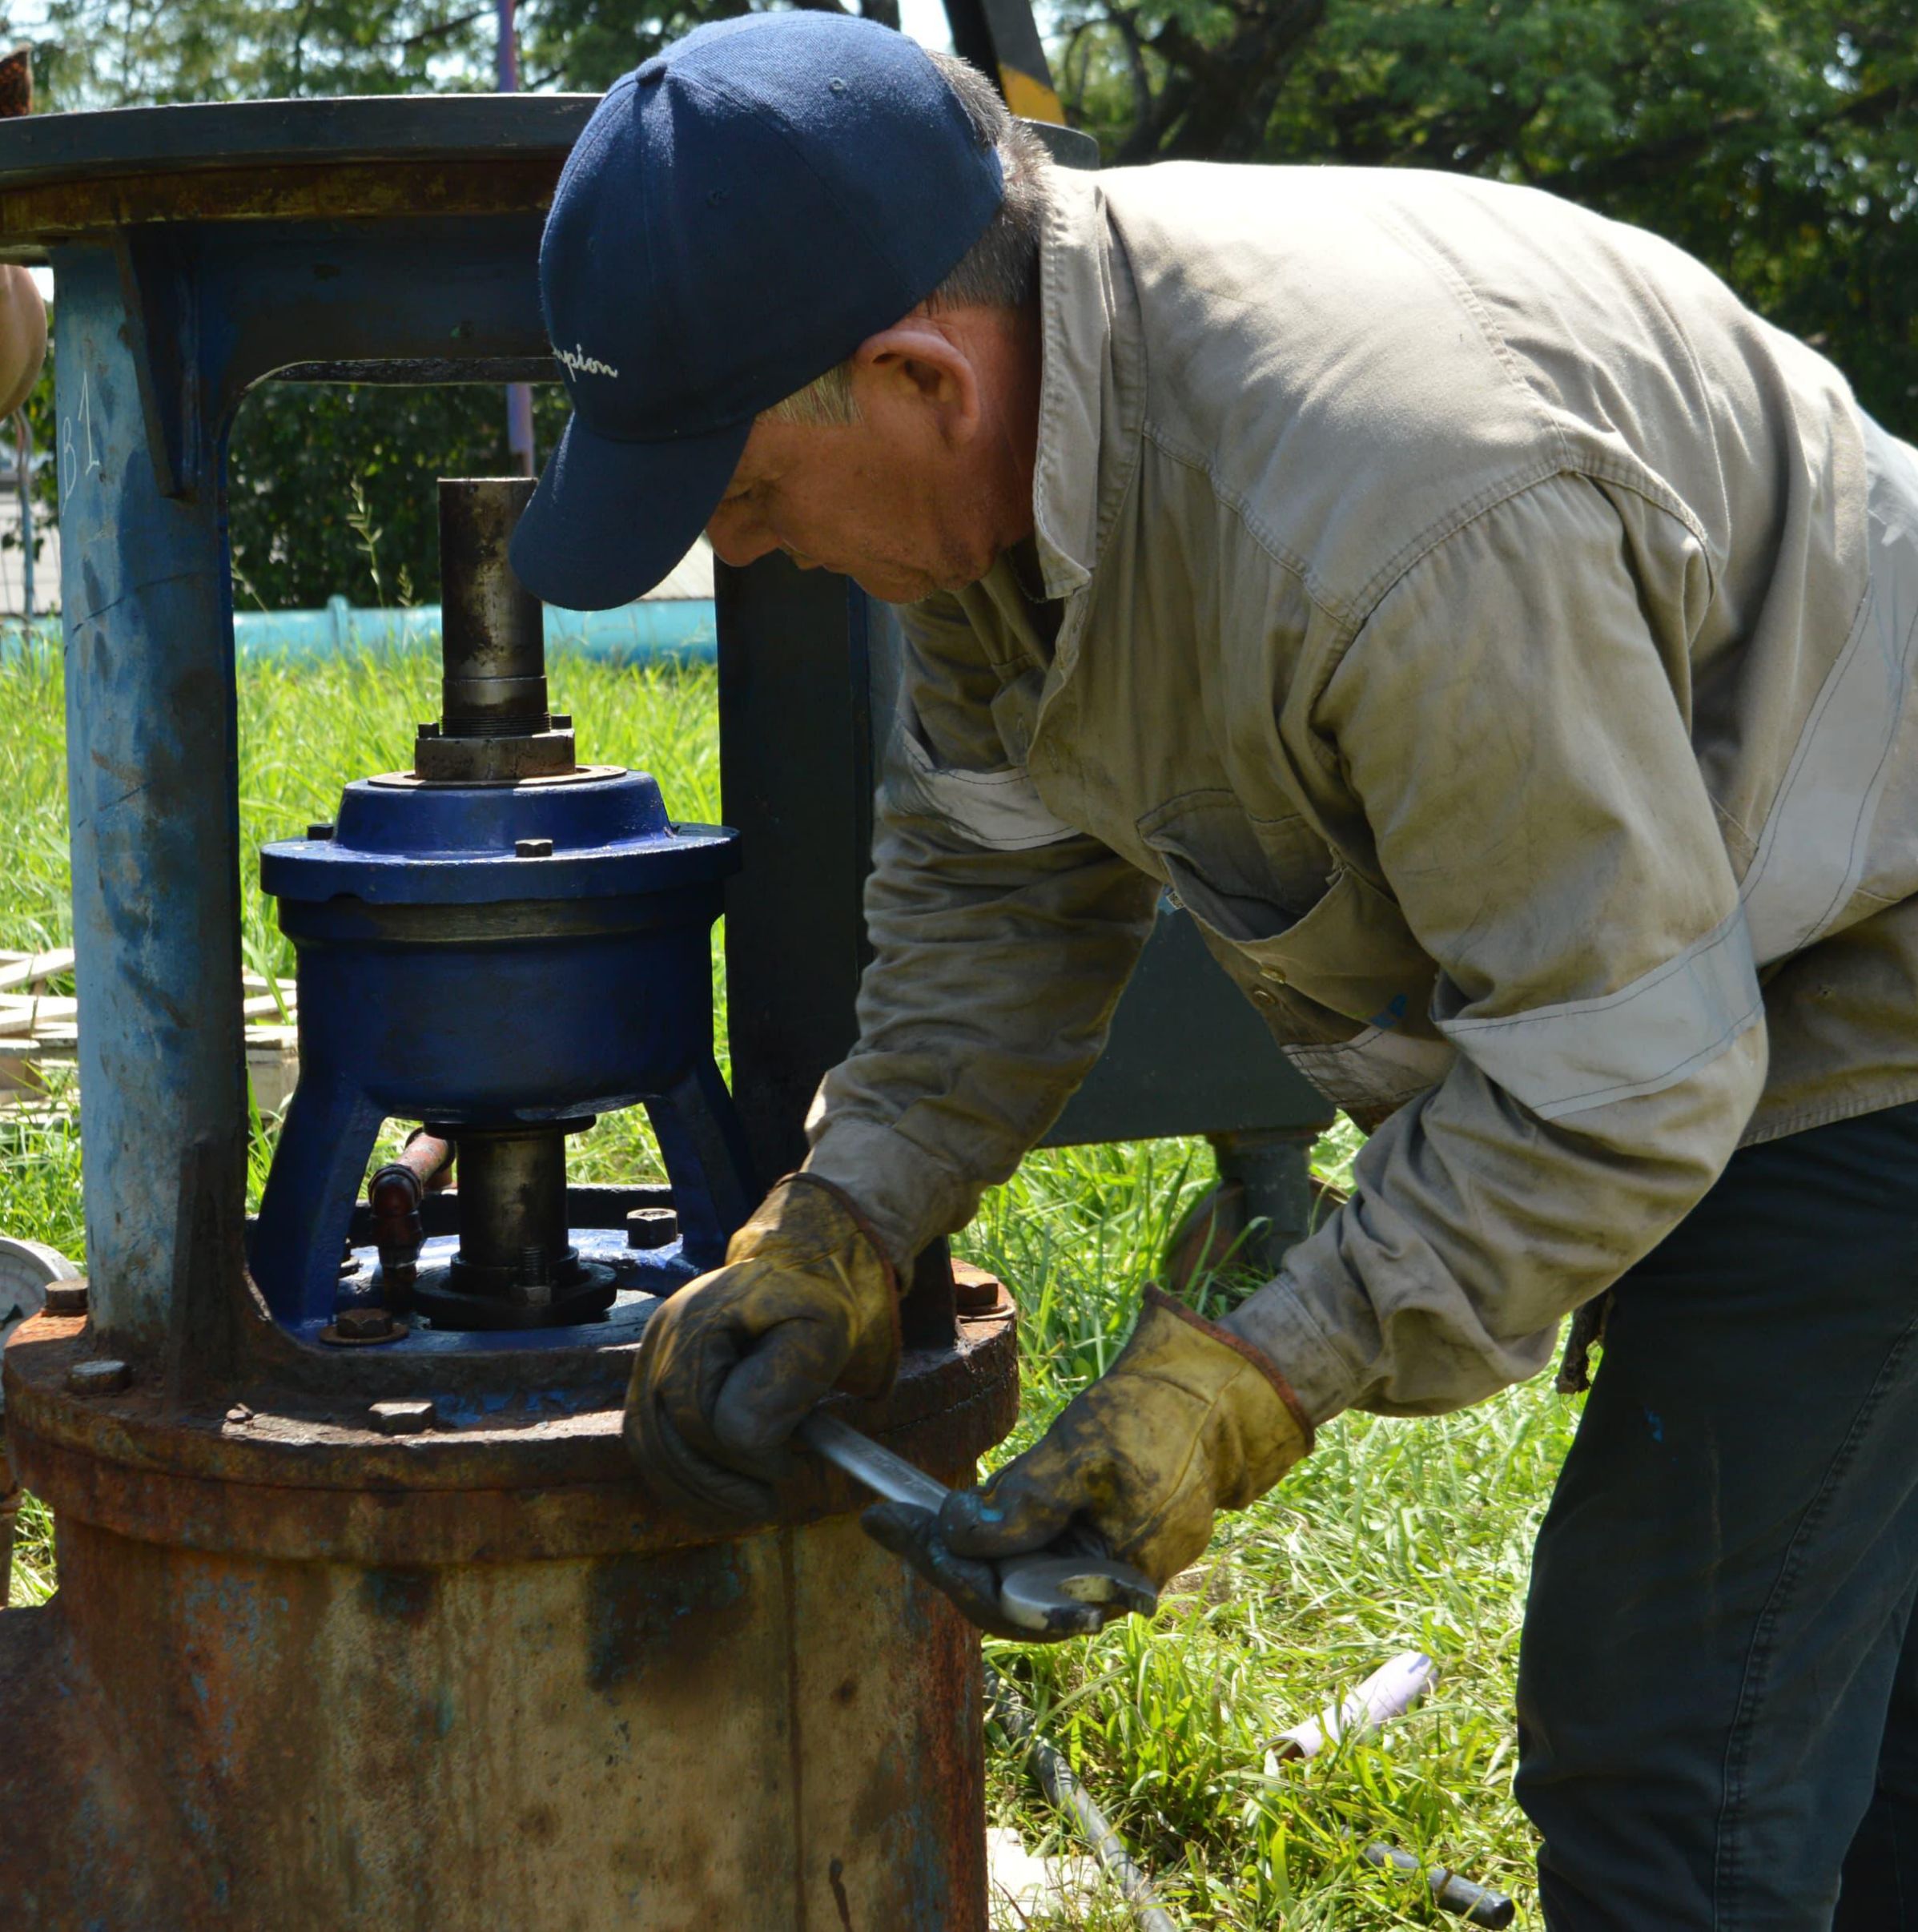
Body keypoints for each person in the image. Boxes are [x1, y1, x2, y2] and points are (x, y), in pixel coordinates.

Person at [509, 14, 1918, 1926]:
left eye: (747, 496)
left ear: (918, 375)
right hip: (1715, 965)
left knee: (1679, 1770)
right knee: (1848, 1750)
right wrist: (841, 1221)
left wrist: (1244, 1382)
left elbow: (1619, 1079)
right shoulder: (1005, 465)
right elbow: (992, 900)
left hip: (1870, 994)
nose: (748, 548)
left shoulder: (1392, 513)